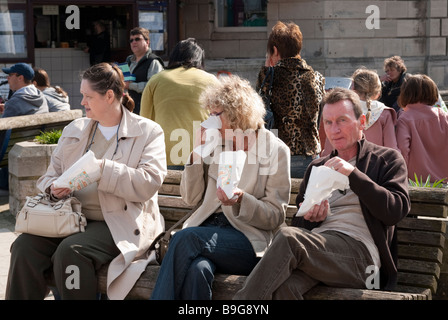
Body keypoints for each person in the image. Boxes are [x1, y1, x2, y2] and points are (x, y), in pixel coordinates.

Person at [5, 63, 167, 300]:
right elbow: (49, 176)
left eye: (88, 96)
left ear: (109, 96)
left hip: (117, 222)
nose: (82, 102)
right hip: (70, 218)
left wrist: (103, 169)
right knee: (23, 247)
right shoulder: (76, 129)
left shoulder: (148, 132)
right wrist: (53, 189)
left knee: (71, 251)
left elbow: (148, 183)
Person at [234, 87, 410, 300]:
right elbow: (301, 227)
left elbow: (395, 211)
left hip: (363, 262)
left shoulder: (386, 159)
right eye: (328, 122)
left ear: (362, 122)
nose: (334, 129)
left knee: (289, 238)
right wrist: (310, 219)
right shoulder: (317, 167)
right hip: (318, 252)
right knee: (284, 288)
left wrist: (353, 174)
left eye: (342, 120)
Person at [150, 75, 291, 300]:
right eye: (210, 114)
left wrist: (241, 200)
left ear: (237, 115)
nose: (209, 120)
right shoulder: (217, 144)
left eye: (216, 115)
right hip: (205, 232)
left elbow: (275, 215)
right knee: (197, 271)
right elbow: (190, 198)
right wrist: (196, 153)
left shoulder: (274, 150)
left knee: (186, 238)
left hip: (247, 238)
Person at [257, 21, 325, 178]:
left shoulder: (268, 76)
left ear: (275, 50)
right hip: (309, 156)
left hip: (276, 154)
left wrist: (267, 70)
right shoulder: (316, 77)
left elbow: (258, 114)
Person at [140, 38, 219, 170]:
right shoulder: (211, 80)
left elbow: (145, 121)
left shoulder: (156, 80)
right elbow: (221, 120)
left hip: (164, 153)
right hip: (202, 153)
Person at [320, 68, 398, 156]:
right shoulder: (384, 113)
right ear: (378, 93)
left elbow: (329, 149)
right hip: (376, 166)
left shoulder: (341, 110)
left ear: (353, 88)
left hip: (343, 164)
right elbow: (391, 148)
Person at [0, 63, 49, 195]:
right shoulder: (41, 97)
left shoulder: (15, 102)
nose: (8, 78)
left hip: (9, 152)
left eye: (10, 75)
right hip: (33, 146)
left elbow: (2, 132)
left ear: (20, 77)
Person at [395, 74, 448, 183]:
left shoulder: (404, 118)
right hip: (444, 179)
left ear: (405, 93)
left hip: (416, 181)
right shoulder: (442, 115)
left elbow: (403, 151)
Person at [125, 27, 164, 115]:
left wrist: (130, 85)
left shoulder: (153, 61)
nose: (133, 42)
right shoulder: (129, 60)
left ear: (147, 42)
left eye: (137, 39)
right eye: (131, 40)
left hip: (147, 111)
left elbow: (154, 87)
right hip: (131, 110)